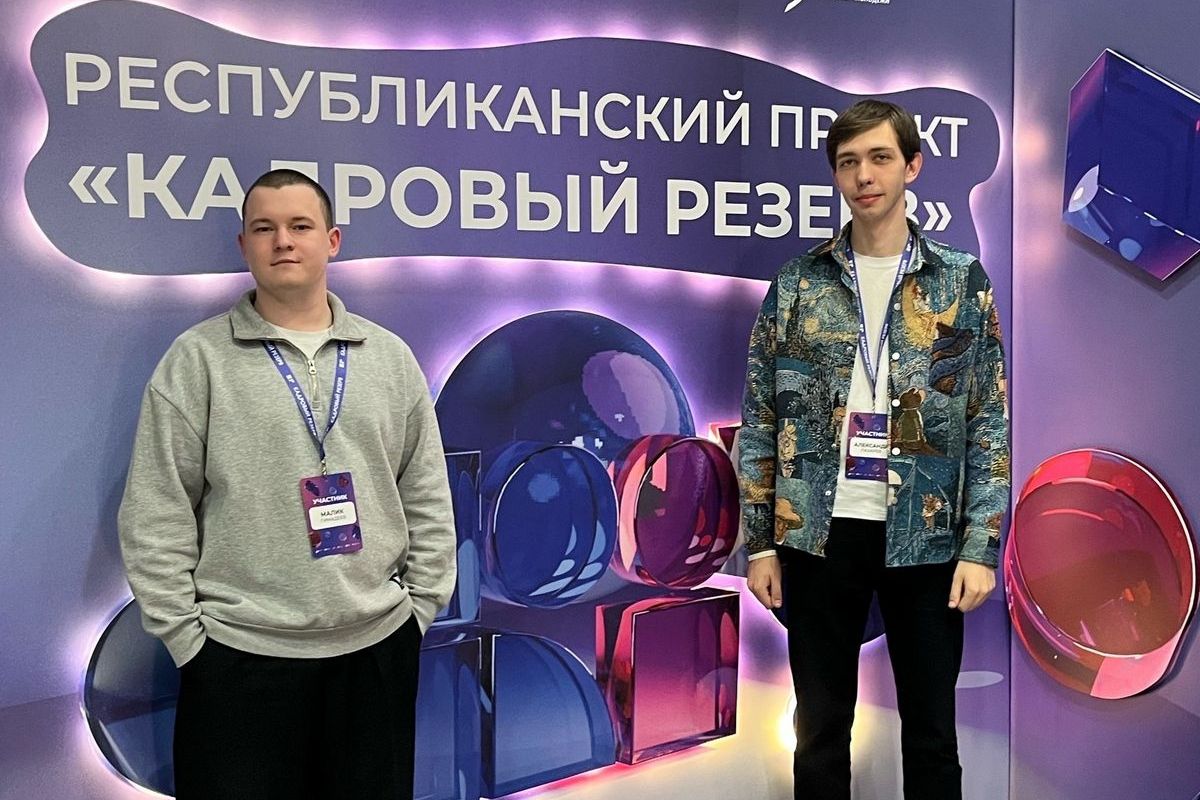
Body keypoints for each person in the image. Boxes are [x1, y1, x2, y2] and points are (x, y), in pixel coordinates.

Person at [118, 169, 457, 800]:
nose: (283, 241)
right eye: (264, 228)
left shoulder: (389, 357)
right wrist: (189, 641)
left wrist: (419, 609)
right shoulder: (197, 360)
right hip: (237, 659)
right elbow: (156, 510)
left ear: (332, 240)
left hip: (375, 652)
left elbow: (427, 494)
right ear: (243, 245)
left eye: (300, 225)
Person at [738, 100, 1008, 800]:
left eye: (880, 158)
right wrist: (760, 544)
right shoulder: (798, 283)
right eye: (849, 162)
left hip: (926, 532)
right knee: (819, 732)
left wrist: (981, 546)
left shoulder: (961, 282)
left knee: (932, 735)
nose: (864, 176)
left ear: (911, 166)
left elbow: (988, 418)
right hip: (817, 532)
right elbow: (761, 416)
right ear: (836, 175)